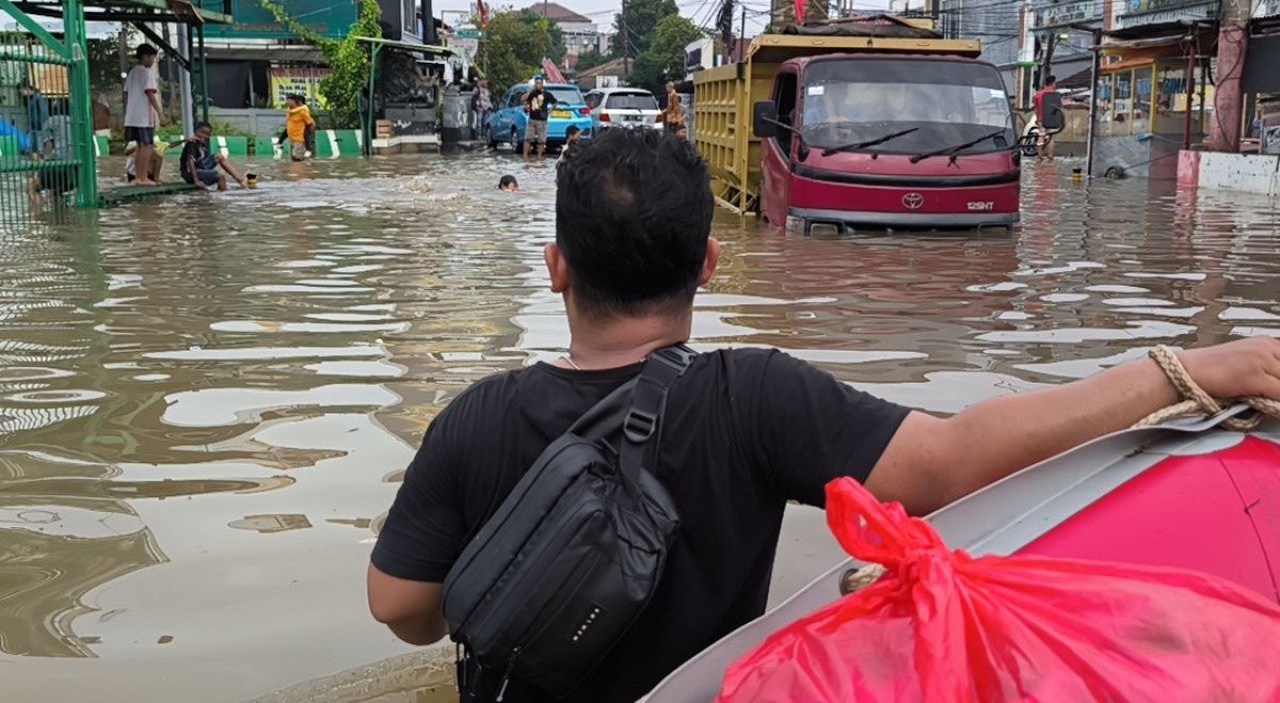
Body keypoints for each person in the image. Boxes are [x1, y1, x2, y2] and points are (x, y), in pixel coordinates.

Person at [366, 127, 1280, 703]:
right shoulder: (753, 394)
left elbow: (398, 604)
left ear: (556, 266)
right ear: (712, 264)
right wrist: (1195, 368)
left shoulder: (474, 419)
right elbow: (957, 462)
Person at [123, 44, 165, 186]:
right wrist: (160, 113)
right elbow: (150, 93)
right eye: (152, 58)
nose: (153, 61)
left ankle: (138, 177)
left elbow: (127, 92)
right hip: (144, 117)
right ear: (145, 57)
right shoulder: (147, 73)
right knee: (146, 145)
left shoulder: (132, 72)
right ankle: (142, 177)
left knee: (140, 146)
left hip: (132, 116)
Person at [180, 121, 247, 192]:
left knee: (219, 156)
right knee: (220, 176)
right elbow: (191, 161)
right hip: (190, 173)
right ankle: (224, 194)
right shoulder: (192, 144)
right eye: (202, 132)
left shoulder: (202, 144)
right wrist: (196, 181)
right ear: (195, 132)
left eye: (207, 134)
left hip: (200, 168)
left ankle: (240, 180)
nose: (204, 136)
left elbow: (203, 161)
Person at [26, 116, 74, 213]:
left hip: (60, 166)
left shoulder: (49, 121)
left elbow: (49, 146)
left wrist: (43, 160)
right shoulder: (75, 121)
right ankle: (59, 214)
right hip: (77, 169)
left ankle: (39, 215)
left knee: (31, 188)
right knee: (54, 189)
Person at [522, 76, 558, 161]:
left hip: (542, 120)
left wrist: (549, 111)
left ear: (542, 84)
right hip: (532, 119)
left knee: (542, 140)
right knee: (528, 138)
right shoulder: (532, 93)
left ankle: (539, 156)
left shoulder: (547, 94)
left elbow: (555, 102)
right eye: (537, 83)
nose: (538, 84)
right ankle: (525, 155)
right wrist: (531, 90)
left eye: (540, 83)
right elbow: (523, 98)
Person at [1034, 75, 1062, 161]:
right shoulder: (1056, 95)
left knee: (1041, 136)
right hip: (1052, 120)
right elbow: (1059, 107)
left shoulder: (1038, 94)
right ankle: (1050, 156)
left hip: (1042, 119)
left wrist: (1038, 119)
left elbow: (1036, 108)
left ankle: (1040, 156)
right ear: (1053, 83)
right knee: (1051, 137)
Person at [281, 94, 316, 161]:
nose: (287, 102)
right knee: (295, 160)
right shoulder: (289, 112)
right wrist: (280, 141)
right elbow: (288, 128)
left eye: (290, 100)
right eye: (287, 100)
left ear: (295, 101)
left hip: (300, 140)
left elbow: (311, 124)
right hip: (292, 140)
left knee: (297, 159)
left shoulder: (302, 112)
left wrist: (308, 144)